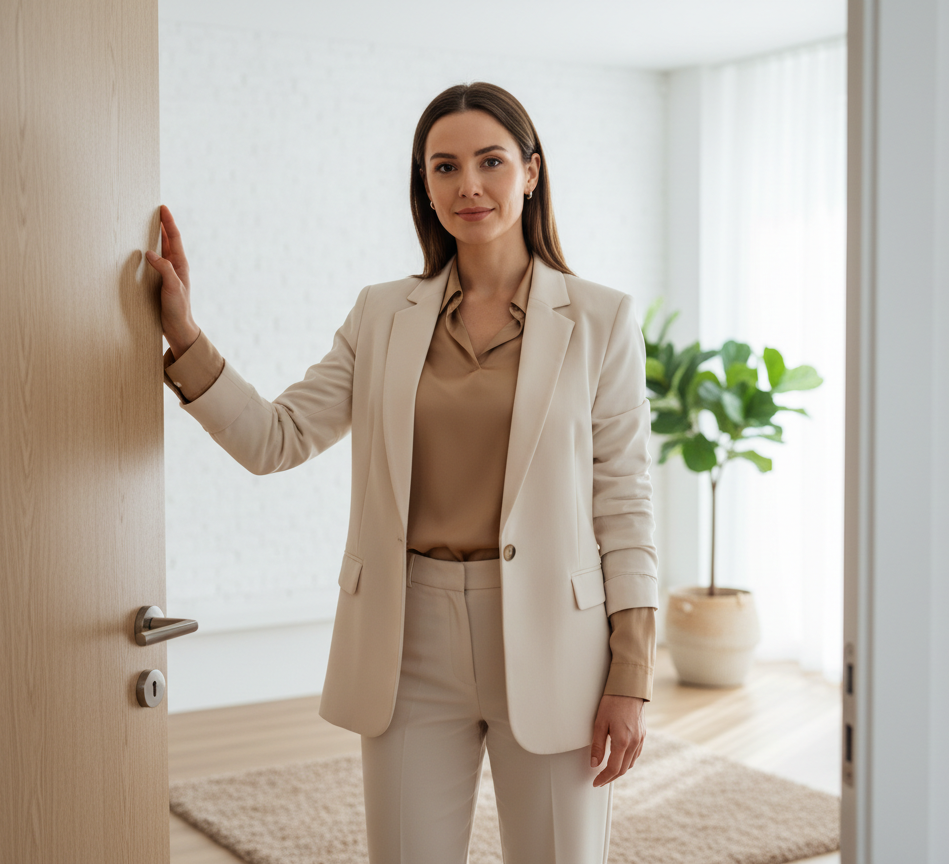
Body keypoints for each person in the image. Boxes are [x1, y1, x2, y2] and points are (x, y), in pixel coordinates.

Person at [145, 82, 658, 864]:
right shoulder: (382, 315)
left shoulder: (601, 319)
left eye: (490, 161)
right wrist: (184, 333)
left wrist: (632, 674)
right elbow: (274, 439)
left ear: (531, 171)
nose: (468, 186)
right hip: (407, 641)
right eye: (444, 167)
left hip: (560, 641)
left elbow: (625, 506)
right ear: (425, 185)